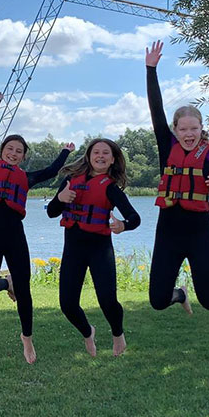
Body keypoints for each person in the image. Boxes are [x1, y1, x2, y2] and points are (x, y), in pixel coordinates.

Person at [145, 40, 209, 315]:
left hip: (200, 230)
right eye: (183, 129)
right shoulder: (167, 147)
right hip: (168, 230)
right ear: (175, 130)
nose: (189, 134)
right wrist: (151, 69)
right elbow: (156, 110)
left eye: (194, 128)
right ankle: (179, 294)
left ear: (202, 129)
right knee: (157, 300)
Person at [0, 87, 74, 364]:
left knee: (26, 289)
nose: (14, 153)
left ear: (23, 156)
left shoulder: (26, 177)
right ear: (2, 151)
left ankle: (27, 339)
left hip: (14, 237)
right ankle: (5, 283)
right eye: (10, 149)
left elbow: (52, 171)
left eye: (19, 151)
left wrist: (64, 152)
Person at [47, 139, 141, 356]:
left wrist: (122, 226)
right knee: (67, 305)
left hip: (100, 250)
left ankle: (118, 334)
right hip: (73, 250)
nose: (100, 156)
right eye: (96, 152)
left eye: (105, 153)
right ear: (89, 156)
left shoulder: (111, 188)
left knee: (107, 301)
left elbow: (135, 218)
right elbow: (52, 212)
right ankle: (88, 331)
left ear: (112, 159)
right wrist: (60, 199)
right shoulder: (71, 181)